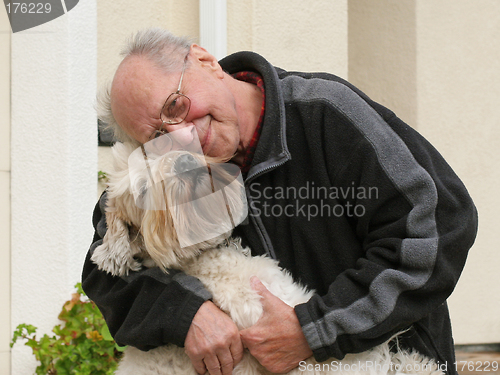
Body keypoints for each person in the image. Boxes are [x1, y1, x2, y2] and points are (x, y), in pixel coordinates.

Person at [82, 28, 478, 375]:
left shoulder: (326, 113)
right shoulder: (163, 170)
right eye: (156, 136)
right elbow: (106, 268)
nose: (182, 136)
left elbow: (437, 227)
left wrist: (314, 330)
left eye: (176, 105)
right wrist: (187, 314)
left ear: (204, 61)